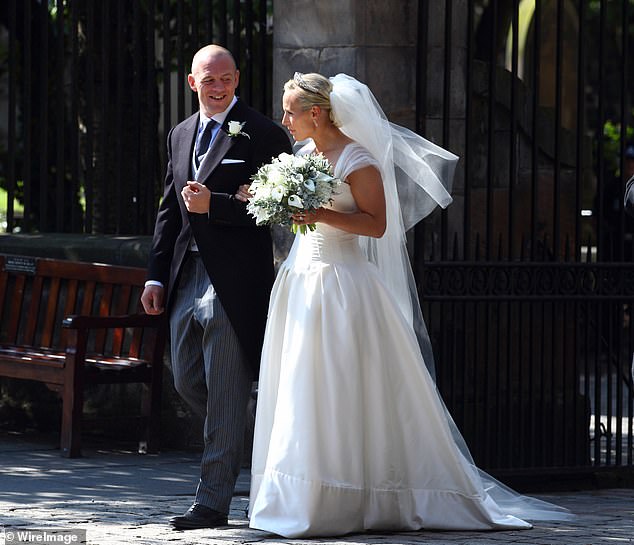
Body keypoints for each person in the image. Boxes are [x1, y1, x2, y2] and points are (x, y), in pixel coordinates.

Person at [237, 73, 573, 538]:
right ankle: (300, 498)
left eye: (291, 111)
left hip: (342, 285)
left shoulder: (358, 159)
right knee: (300, 385)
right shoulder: (301, 157)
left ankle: (355, 498)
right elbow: (296, 217)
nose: (284, 120)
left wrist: (320, 214)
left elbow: (376, 225)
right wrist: (267, 200)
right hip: (301, 280)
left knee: (342, 386)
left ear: (316, 113)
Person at [140, 44, 291, 530]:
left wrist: (218, 206)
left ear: (237, 79)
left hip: (236, 280)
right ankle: (260, 432)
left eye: (226, 78)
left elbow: (278, 209)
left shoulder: (265, 133)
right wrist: (156, 274)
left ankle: (212, 503)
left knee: (225, 390)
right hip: (188, 277)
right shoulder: (180, 133)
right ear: (192, 83)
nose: (219, 87)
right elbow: (170, 211)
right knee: (186, 379)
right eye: (209, 80)